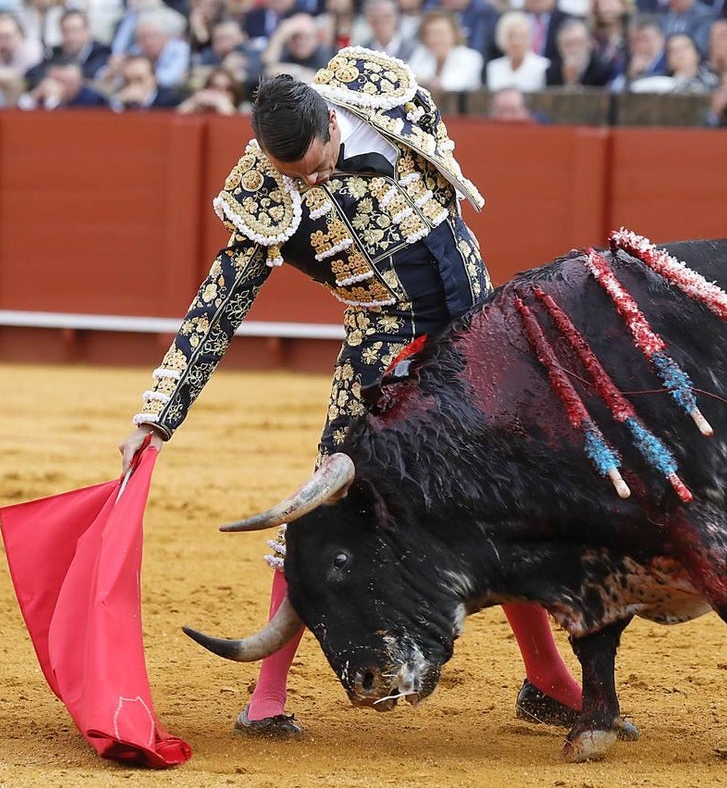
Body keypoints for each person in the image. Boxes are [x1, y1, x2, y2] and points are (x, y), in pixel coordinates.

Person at [118, 46, 584, 738]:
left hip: (479, 329)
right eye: (296, 174)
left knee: (506, 496)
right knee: (328, 503)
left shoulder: (378, 88)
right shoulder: (264, 192)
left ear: (332, 121)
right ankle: (267, 698)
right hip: (382, 352)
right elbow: (218, 305)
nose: (315, 178)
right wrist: (159, 414)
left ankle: (547, 680)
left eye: (320, 161)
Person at [407, 8, 484, 90]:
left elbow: (456, 84)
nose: (435, 39)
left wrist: (426, 81)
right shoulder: (421, 53)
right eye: (430, 34)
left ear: (454, 34)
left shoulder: (471, 57)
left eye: (441, 33)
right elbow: (410, 78)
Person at [486, 8, 549, 90]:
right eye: (511, 36)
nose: (516, 42)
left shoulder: (543, 66)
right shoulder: (494, 67)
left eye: (522, 36)